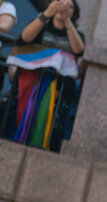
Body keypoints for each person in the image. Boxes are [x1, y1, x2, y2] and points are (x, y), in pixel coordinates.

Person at [5, 0, 84, 151]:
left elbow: (78, 50)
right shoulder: (41, 25)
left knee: (47, 123)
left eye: (69, 6)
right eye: (60, 2)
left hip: (56, 91)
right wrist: (47, 14)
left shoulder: (77, 34)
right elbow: (25, 38)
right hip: (29, 84)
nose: (64, 7)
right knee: (18, 117)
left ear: (75, 13)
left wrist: (67, 21)